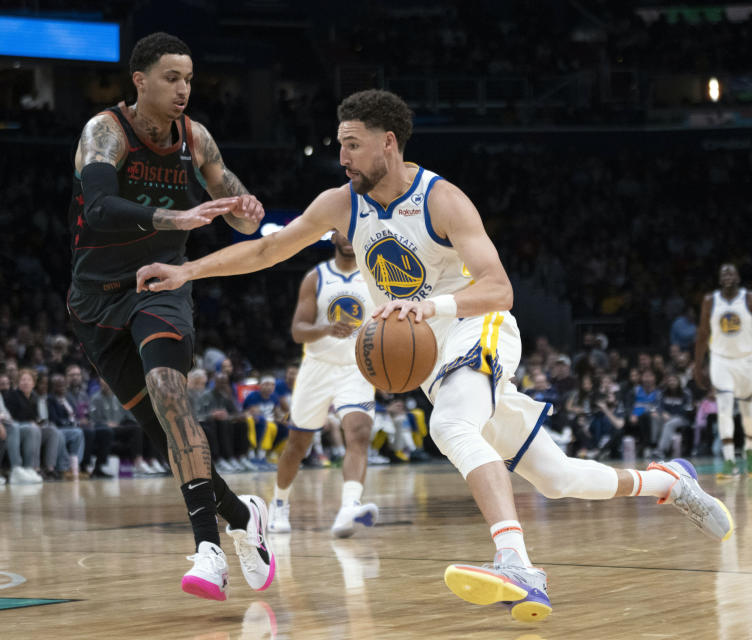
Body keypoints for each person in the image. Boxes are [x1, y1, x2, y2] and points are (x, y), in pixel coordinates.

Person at [137, 89, 735, 622]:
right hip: (431, 355)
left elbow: (499, 288)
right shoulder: (340, 205)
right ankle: (666, 482)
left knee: (450, 425)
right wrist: (186, 270)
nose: (341, 156)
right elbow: (267, 252)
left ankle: (518, 565)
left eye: (351, 144)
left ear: (387, 143)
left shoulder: (442, 199)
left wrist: (434, 307)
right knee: (557, 478)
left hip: (480, 328)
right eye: (338, 144)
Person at [67, 31, 273, 599]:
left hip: (161, 284)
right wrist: (175, 221)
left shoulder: (195, 136)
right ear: (140, 80)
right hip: (95, 297)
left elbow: (238, 213)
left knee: (168, 390)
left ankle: (208, 549)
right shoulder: (105, 131)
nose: (184, 89)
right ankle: (242, 515)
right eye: (171, 78)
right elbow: (101, 207)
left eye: (188, 79)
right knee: (159, 430)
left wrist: (246, 209)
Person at [268, 231, 379, 538]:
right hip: (317, 367)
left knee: (359, 433)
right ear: (333, 237)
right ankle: (279, 504)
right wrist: (327, 328)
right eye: (342, 231)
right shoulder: (316, 277)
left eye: (354, 230)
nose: (348, 236)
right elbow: (298, 331)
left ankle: (348, 507)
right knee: (298, 445)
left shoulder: (375, 276)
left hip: (357, 367)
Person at [694, 263, 752, 478]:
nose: (727, 275)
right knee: (725, 407)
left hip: (747, 360)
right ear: (719, 279)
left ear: (738, 276)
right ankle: (729, 463)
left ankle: (749, 453)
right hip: (720, 360)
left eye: (731, 272)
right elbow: (702, 333)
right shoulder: (710, 301)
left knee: (748, 413)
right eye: (723, 273)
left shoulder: (748, 298)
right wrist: (698, 365)